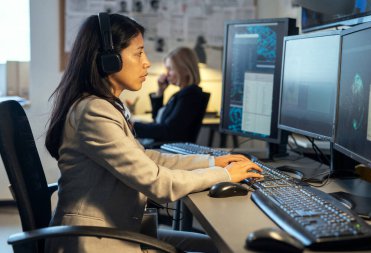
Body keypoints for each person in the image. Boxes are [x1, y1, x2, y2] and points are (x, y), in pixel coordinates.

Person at [44, 13, 263, 253]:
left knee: (219, 246)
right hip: (95, 240)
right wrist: (224, 175)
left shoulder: (103, 106)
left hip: (116, 229)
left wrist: (212, 161)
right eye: (138, 53)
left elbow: (147, 158)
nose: (147, 62)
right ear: (109, 59)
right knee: (227, 249)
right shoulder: (94, 111)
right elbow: (159, 184)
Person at [133, 47, 206, 145]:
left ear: (185, 70)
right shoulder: (182, 94)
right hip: (161, 144)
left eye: (170, 69)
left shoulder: (190, 95)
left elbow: (168, 131)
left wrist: (133, 127)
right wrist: (160, 91)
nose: (166, 75)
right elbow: (157, 121)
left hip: (167, 147)